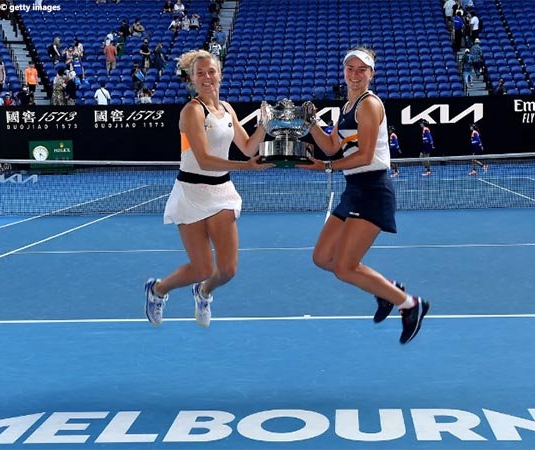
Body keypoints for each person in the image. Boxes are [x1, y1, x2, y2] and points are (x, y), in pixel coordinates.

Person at [297, 47, 430, 345]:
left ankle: (410, 304)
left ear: (372, 74)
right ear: (343, 72)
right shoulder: (346, 107)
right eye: (350, 68)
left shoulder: (369, 105)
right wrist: (312, 122)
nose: (355, 74)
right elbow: (332, 146)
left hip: (372, 189)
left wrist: (324, 167)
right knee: (322, 257)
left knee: (344, 267)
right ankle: (384, 288)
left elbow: (366, 155)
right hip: (354, 189)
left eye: (362, 69)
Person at [144, 49, 273, 328]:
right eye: (200, 73)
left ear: (220, 74)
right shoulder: (191, 110)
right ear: (192, 79)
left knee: (226, 270)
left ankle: (203, 292)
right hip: (190, 193)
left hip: (221, 192)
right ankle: (157, 291)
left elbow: (248, 146)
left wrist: (265, 126)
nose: (206, 77)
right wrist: (246, 167)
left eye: (211, 71)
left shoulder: (226, 108)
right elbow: (203, 159)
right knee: (201, 267)